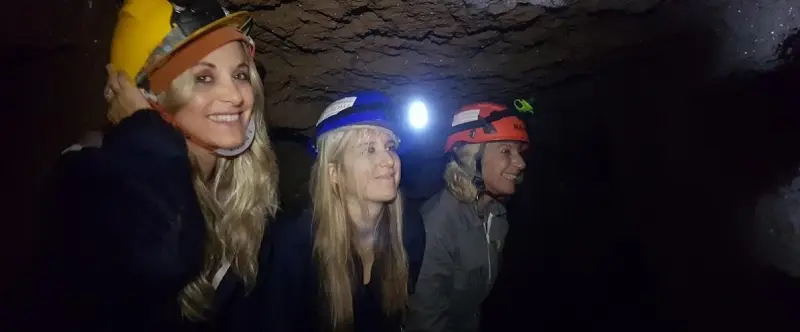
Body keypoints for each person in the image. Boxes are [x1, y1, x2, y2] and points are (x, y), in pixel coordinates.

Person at [29, 0, 279, 331]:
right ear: (146, 95)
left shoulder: (238, 196)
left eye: (240, 75)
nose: (235, 95)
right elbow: (161, 257)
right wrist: (144, 127)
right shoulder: (85, 179)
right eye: (204, 77)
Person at [252, 91, 416, 332]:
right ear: (334, 173)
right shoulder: (293, 247)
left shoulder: (410, 232)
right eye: (369, 150)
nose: (389, 160)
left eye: (390, 147)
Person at [405, 102, 529, 332]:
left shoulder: (496, 213)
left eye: (519, 152)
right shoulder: (438, 224)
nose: (520, 163)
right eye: (506, 151)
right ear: (471, 159)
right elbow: (425, 320)